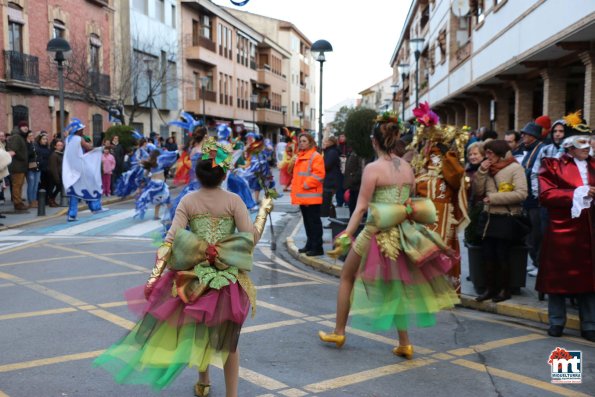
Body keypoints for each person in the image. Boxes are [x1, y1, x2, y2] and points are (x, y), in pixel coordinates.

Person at [94, 137, 273, 396]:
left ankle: (203, 382)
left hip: (193, 279)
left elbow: (170, 240)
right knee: (229, 342)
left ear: (198, 174)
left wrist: (154, 276)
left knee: (201, 332)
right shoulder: (234, 201)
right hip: (228, 280)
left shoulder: (188, 200)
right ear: (224, 174)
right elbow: (250, 240)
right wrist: (264, 212)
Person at [318, 115, 459, 358]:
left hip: (374, 232)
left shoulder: (373, 168)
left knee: (347, 277)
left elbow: (361, 207)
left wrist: (346, 233)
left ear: (374, 141)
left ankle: (339, 331)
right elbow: (409, 200)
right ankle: (405, 343)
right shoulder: (407, 167)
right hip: (402, 234)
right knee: (396, 288)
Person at [536, 112, 595, 342]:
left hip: (590, 231)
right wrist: (578, 193)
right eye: (582, 142)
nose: (587, 146)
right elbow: (546, 194)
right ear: (569, 145)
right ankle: (556, 321)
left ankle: (589, 324)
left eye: (589, 141)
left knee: (589, 278)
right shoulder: (551, 165)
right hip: (562, 230)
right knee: (557, 277)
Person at [408, 103, 469, 294]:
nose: (428, 146)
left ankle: (444, 291)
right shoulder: (421, 159)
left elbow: (456, 179)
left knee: (443, 248)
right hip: (425, 212)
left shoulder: (449, 157)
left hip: (443, 211)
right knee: (424, 249)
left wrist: (446, 156)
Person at [473, 140, 528, 302]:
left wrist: (494, 198)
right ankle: (490, 289)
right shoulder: (487, 168)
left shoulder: (515, 168)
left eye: (490, 153)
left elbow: (522, 193)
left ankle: (505, 290)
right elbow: (478, 191)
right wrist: (482, 172)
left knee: (502, 255)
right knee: (487, 255)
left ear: (500, 153)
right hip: (489, 217)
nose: (487, 156)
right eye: (486, 153)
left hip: (506, 217)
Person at [62, 118, 105, 222]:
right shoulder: (79, 139)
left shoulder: (67, 139)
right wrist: (100, 148)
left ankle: (72, 214)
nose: (83, 131)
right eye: (82, 129)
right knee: (92, 183)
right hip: (80, 166)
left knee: (74, 191)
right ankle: (95, 207)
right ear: (78, 130)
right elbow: (89, 148)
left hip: (70, 167)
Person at [291, 132, 325, 256]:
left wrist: (305, 185)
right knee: (307, 222)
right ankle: (310, 245)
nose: (301, 143)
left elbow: (319, 175)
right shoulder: (300, 156)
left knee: (314, 223)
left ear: (310, 142)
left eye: (304, 141)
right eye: (300, 141)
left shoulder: (315, 156)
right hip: (304, 196)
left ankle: (317, 247)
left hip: (311, 196)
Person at [519, 122, 545, 278]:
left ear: (533, 136)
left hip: (535, 199)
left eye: (526, 134)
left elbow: (538, 172)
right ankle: (535, 261)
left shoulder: (541, 149)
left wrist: (523, 172)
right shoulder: (529, 149)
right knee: (529, 233)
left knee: (536, 233)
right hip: (527, 197)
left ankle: (538, 263)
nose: (522, 137)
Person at [134, 148, 177, 220]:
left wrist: (142, 184)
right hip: (160, 184)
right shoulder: (160, 162)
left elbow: (145, 175)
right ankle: (173, 214)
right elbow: (170, 160)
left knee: (160, 199)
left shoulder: (151, 164)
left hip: (153, 183)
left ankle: (156, 215)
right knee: (167, 199)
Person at [6, 121, 30, 211]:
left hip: (21, 166)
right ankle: (17, 203)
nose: (26, 128)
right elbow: (12, 150)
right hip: (17, 166)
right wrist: (22, 157)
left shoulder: (21, 136)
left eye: (26, 126)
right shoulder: (17, 137)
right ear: (20, 127)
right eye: (23, 126)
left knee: (19, 185)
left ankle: (19, 202)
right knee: (17, 185)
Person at [321, 136, 341, 227]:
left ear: (331, 143)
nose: (324, 142)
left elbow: (327, 166)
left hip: (331, 180)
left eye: (326, 141)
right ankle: (333, 221)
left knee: (328, 202)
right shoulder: (329, 151)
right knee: (329, 202)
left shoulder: (332, 152)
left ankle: (332, 221)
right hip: (330, 179)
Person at [25, 131, 40, 208]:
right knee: (31, 185)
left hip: (37, 166)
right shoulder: (27, 145)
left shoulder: (35, 144)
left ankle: (34, 200)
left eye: (32, 135)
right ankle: (30, 201)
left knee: (36, 185)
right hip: (30, 167)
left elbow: (38, 153)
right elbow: (28, 154)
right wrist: (29, 144)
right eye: (29, 135)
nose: (31, 137)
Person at [48, 140, 64, 207]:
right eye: (58, 145)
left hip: (59, 174)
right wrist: (56, 177)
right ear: (55, 146)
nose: (60, 147)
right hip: (54, 175)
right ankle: (51, 200)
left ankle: (52, 200)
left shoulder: (61, 154)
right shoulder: (54, 155)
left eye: (61, 145)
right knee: (54, 188)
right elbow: (53, 167)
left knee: (58, 188)